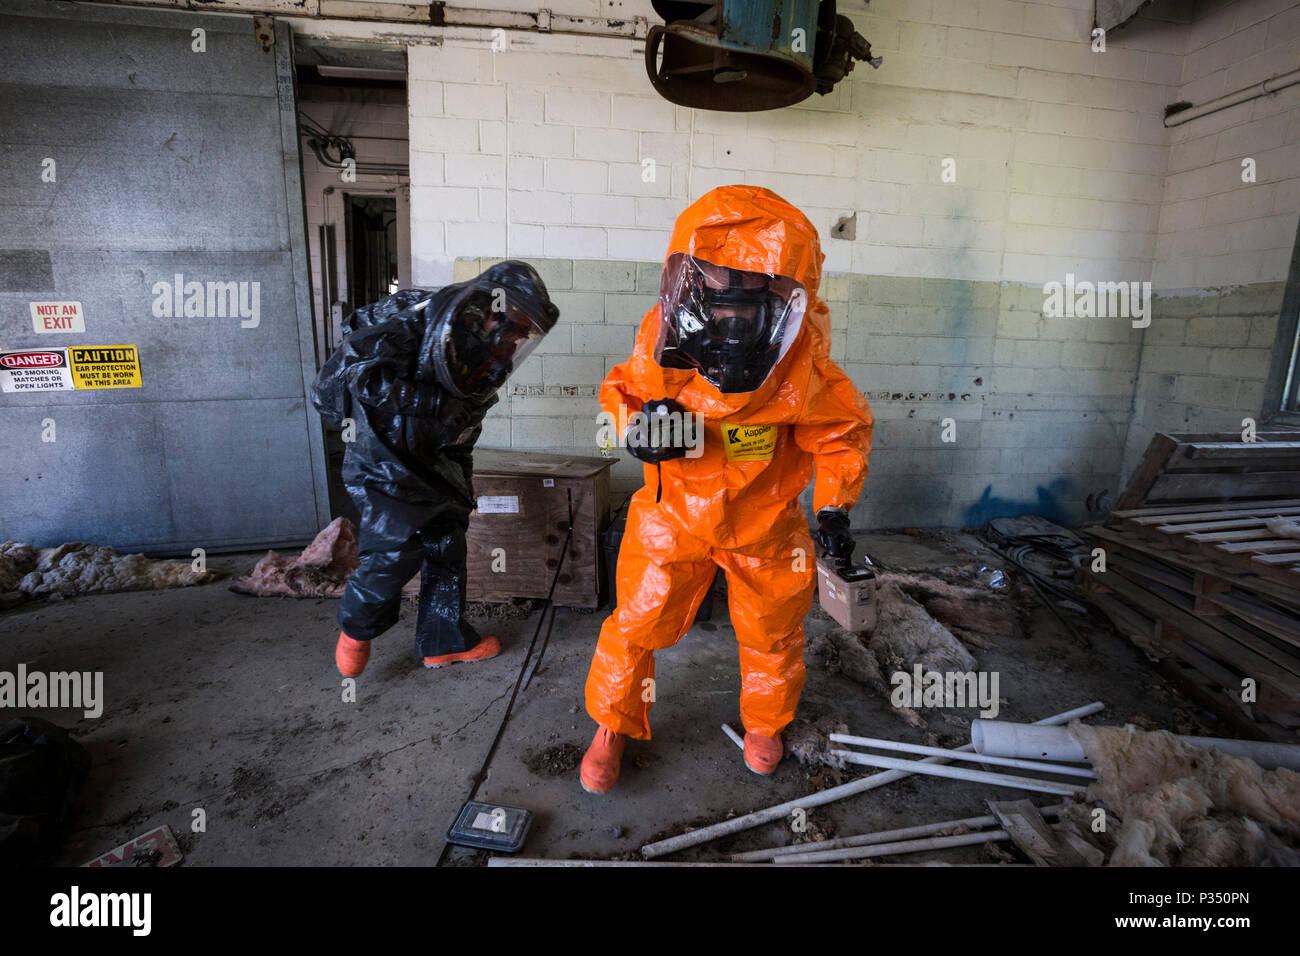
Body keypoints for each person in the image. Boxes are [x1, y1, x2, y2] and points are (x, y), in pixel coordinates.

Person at [580, 185, 872, 793]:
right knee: (635, 622)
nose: (732, 314)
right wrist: (637, 431)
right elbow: (622, 391)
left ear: (781, 294)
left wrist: (834, 507)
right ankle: (613, 722)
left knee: (773, 633)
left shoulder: (801, 356)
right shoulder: (664, 333)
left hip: (764, 521)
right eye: (720, 293)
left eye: (750, 296)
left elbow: (840, 433)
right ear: (694, 283)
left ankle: (766, 725)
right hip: (673, 513)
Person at [311, 261, 560, 677]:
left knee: (447, 542)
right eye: (517, 326)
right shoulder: (419, 320)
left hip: (434, 454)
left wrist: (460, 482)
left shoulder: (489, 355)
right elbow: (362, 375)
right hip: (383, 451)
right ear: (493, 309)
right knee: (396, 549)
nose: (519, 338)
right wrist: (430, 403)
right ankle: (356, 628)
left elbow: (466, 422)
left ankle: (444, 640)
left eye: (526, 332)